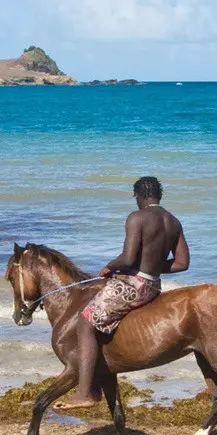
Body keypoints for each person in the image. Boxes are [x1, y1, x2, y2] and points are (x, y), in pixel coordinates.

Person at [57, 175, 190, 409]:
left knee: (85, 321)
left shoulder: (137, 217)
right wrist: (151, 268)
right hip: (153, 285)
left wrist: (111, 266)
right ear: (158, 195)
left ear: (139, 196)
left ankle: (85, 392)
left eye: (136, 198)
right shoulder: (173, 221)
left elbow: (127, 257)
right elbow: (181, 264)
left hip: (134, 285)